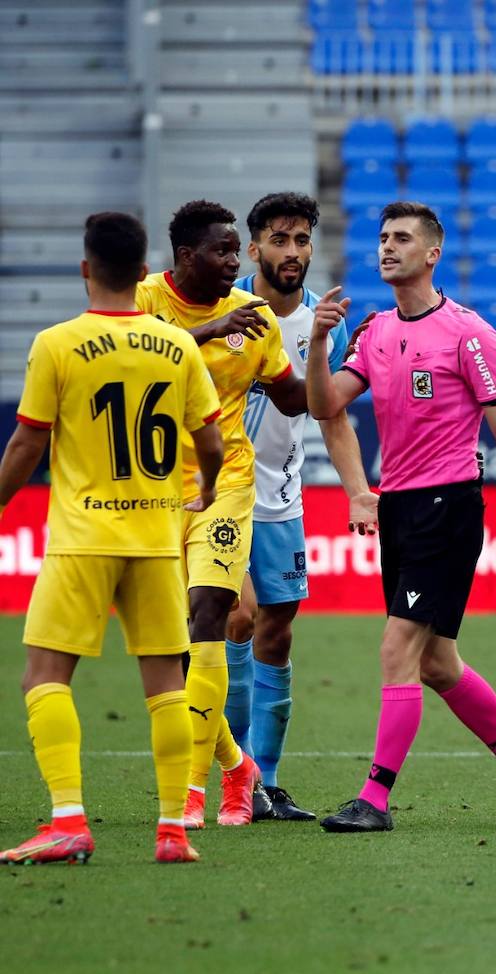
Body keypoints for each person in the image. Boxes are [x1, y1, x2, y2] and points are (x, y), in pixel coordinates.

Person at [304, 200, 496, 833]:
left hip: (447, 507)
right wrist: (317, 341)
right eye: (382, 238)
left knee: (398, 648)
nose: (387, 247)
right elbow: (323, 404)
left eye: (401, 238)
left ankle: (374, 799)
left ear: (432, 253)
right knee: (436, 663)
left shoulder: (469, 334)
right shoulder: (373, 333)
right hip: (397, 508)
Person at [0, 212, 223, 864]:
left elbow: (27, 442)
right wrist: (205, 490)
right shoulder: (176, 344)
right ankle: (172, 831)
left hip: (83, 536)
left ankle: (68, 817)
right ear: (143, 268)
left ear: (85, 268)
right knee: (165, 686)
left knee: (44, 674)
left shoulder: (57, 344)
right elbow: (210, 439)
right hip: (157, 535)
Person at [136, 200, 310, 828]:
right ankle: (238, 764)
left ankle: (196, 790)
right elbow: (130, 356)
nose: (235, 263)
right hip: (151, 490)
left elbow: (292, 397)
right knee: (167, 641)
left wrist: (345, 368)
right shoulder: (146, 299)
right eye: (223, 252)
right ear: (187, 257)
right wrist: (206, 334)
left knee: (214, 612)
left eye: (238, 252)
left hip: (225, 484)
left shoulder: (254, 323)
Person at [222, 192, 378, 822]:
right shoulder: (223, 309)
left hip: (282, 503)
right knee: (238, 619)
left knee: (277, 633)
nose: (292, 252)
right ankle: (233, 776)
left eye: (301, 240)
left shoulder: (324, 323)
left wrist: (358, 489)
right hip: (218, 498)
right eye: (278, 240)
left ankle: (269, 783)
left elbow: (333, 416)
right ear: (253, 246)